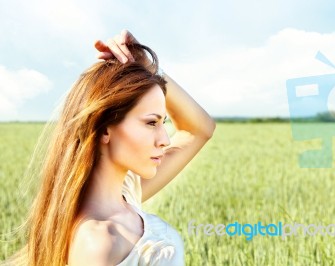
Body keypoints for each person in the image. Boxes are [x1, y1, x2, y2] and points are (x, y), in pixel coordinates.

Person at [5, 29, 215, 266]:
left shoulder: (127, 195)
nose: (165, 139)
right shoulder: (99, 243)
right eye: (151, 123)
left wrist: (146, 65)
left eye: (162, 122)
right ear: (105, 128)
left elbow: (200, 129)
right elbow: (197, 131)